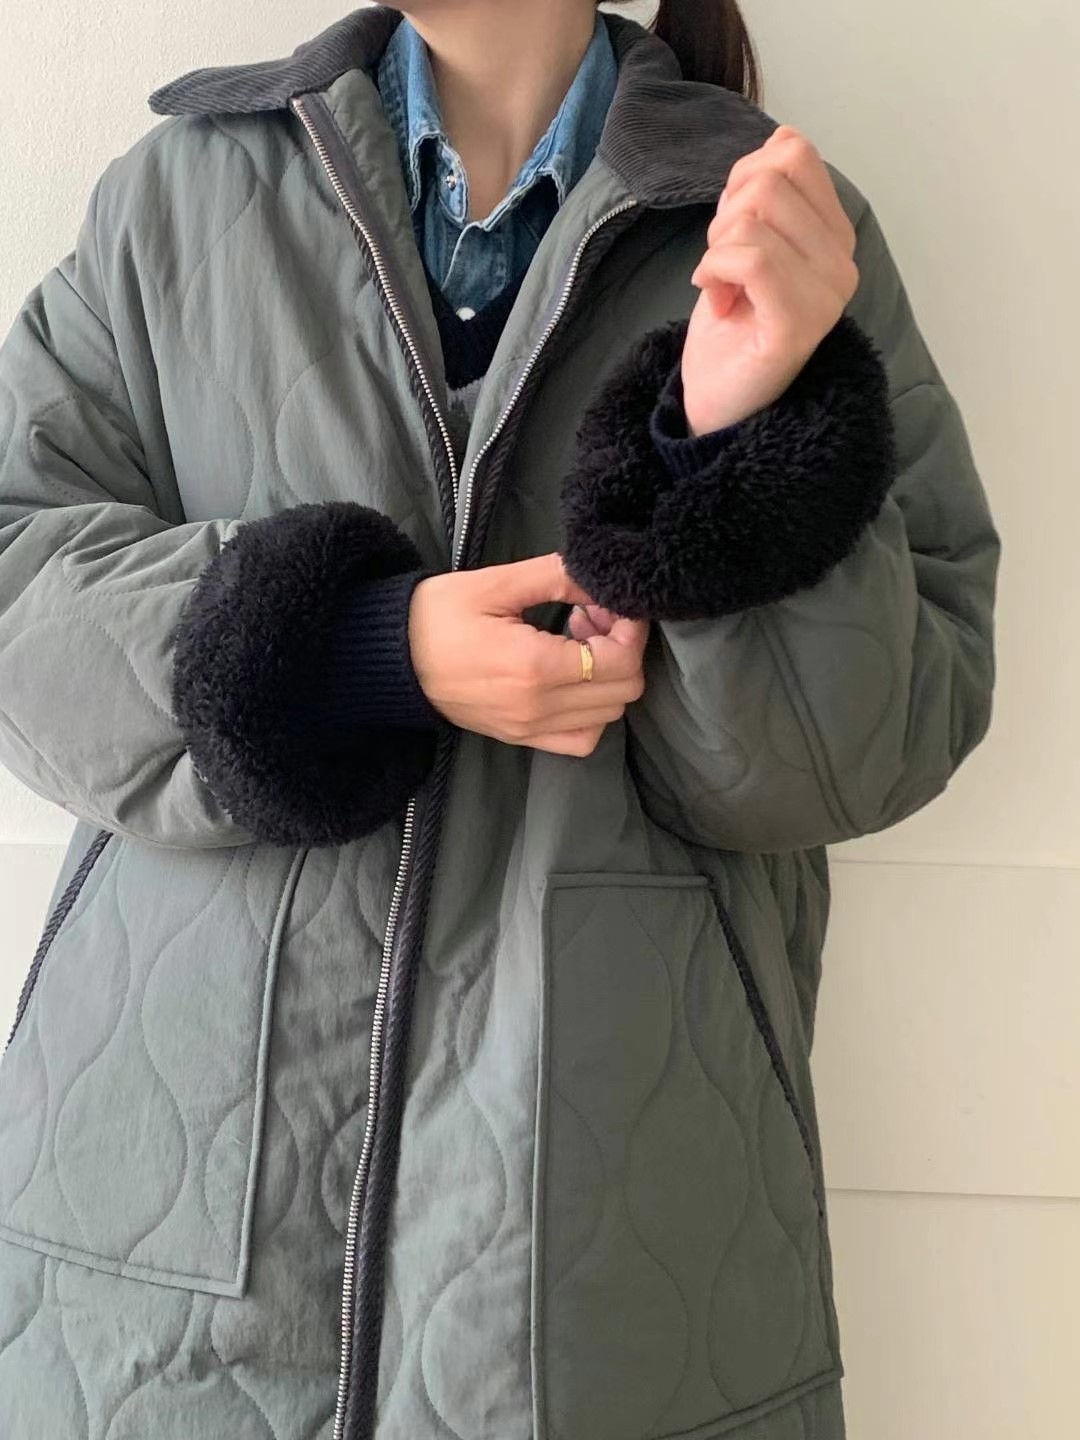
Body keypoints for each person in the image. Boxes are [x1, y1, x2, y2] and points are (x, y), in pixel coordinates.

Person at [0, 2, 999, 1437]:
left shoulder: (775, 229)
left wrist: (727, 443)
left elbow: (852, 750)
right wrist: (359, 649)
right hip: (161, 1236)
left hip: (599, 1270)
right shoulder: (183, 194)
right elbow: (20, 594)